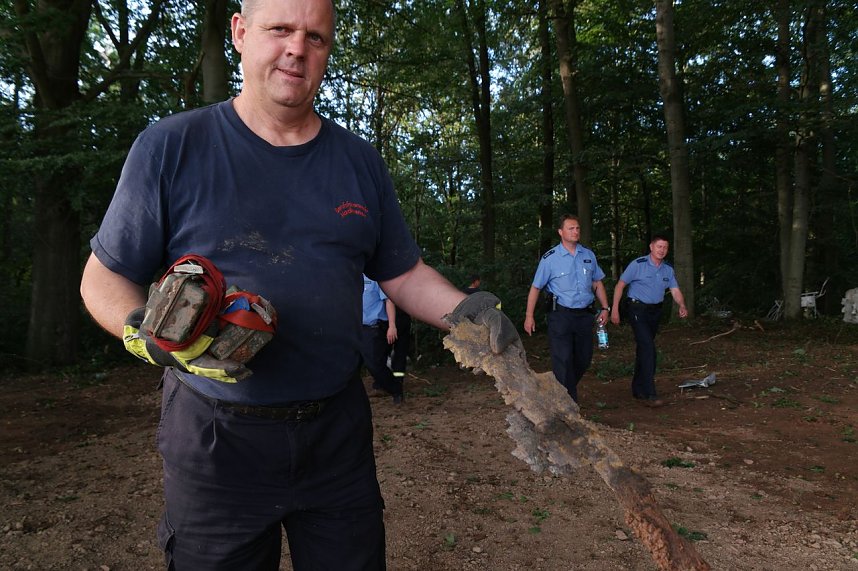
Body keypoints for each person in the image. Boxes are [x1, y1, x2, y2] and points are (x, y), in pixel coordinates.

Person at [78, 0, 518, 569]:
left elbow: (403, 273)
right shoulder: (173, 146)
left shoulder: (358, 161)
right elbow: (104, 275)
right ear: (240, 32)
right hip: (215, 439)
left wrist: (469, 312)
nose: (297, 49)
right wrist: (143, 334)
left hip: (336, 434)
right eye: (280, 29)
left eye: (315, 37)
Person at [523, 214, 610, 402]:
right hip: (560, 315)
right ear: (561, 232)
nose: (575, 231)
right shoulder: (550, 258)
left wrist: (605, 308)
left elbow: (597, 282)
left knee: (583, 358)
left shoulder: (588, 255)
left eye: (577, 228)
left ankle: (561, 392)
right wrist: (529, 316)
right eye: (571, 228)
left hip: (584, 315)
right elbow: (536, 287)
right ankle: (567, 405)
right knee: (562, 360)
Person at [610, 234, 688, 408]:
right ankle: (650, 392)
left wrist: (682, 305)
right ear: (651, 247)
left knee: (644, 348)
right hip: (637, 309)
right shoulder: (638, 265)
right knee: (648, 349)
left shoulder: (667, 270)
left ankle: (638, 388)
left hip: (655, 312)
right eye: (659, 246)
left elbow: (675, 290)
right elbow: (620, 285)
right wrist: (614, 309)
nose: (662, 250)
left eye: (665, 247)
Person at [361, 275, 403, 404]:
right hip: (357, 327)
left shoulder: (375, 277)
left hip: (374, 327)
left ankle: (396, 389)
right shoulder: (353, 276)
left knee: (374, 363)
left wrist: (392, 326)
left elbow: (388, 301)